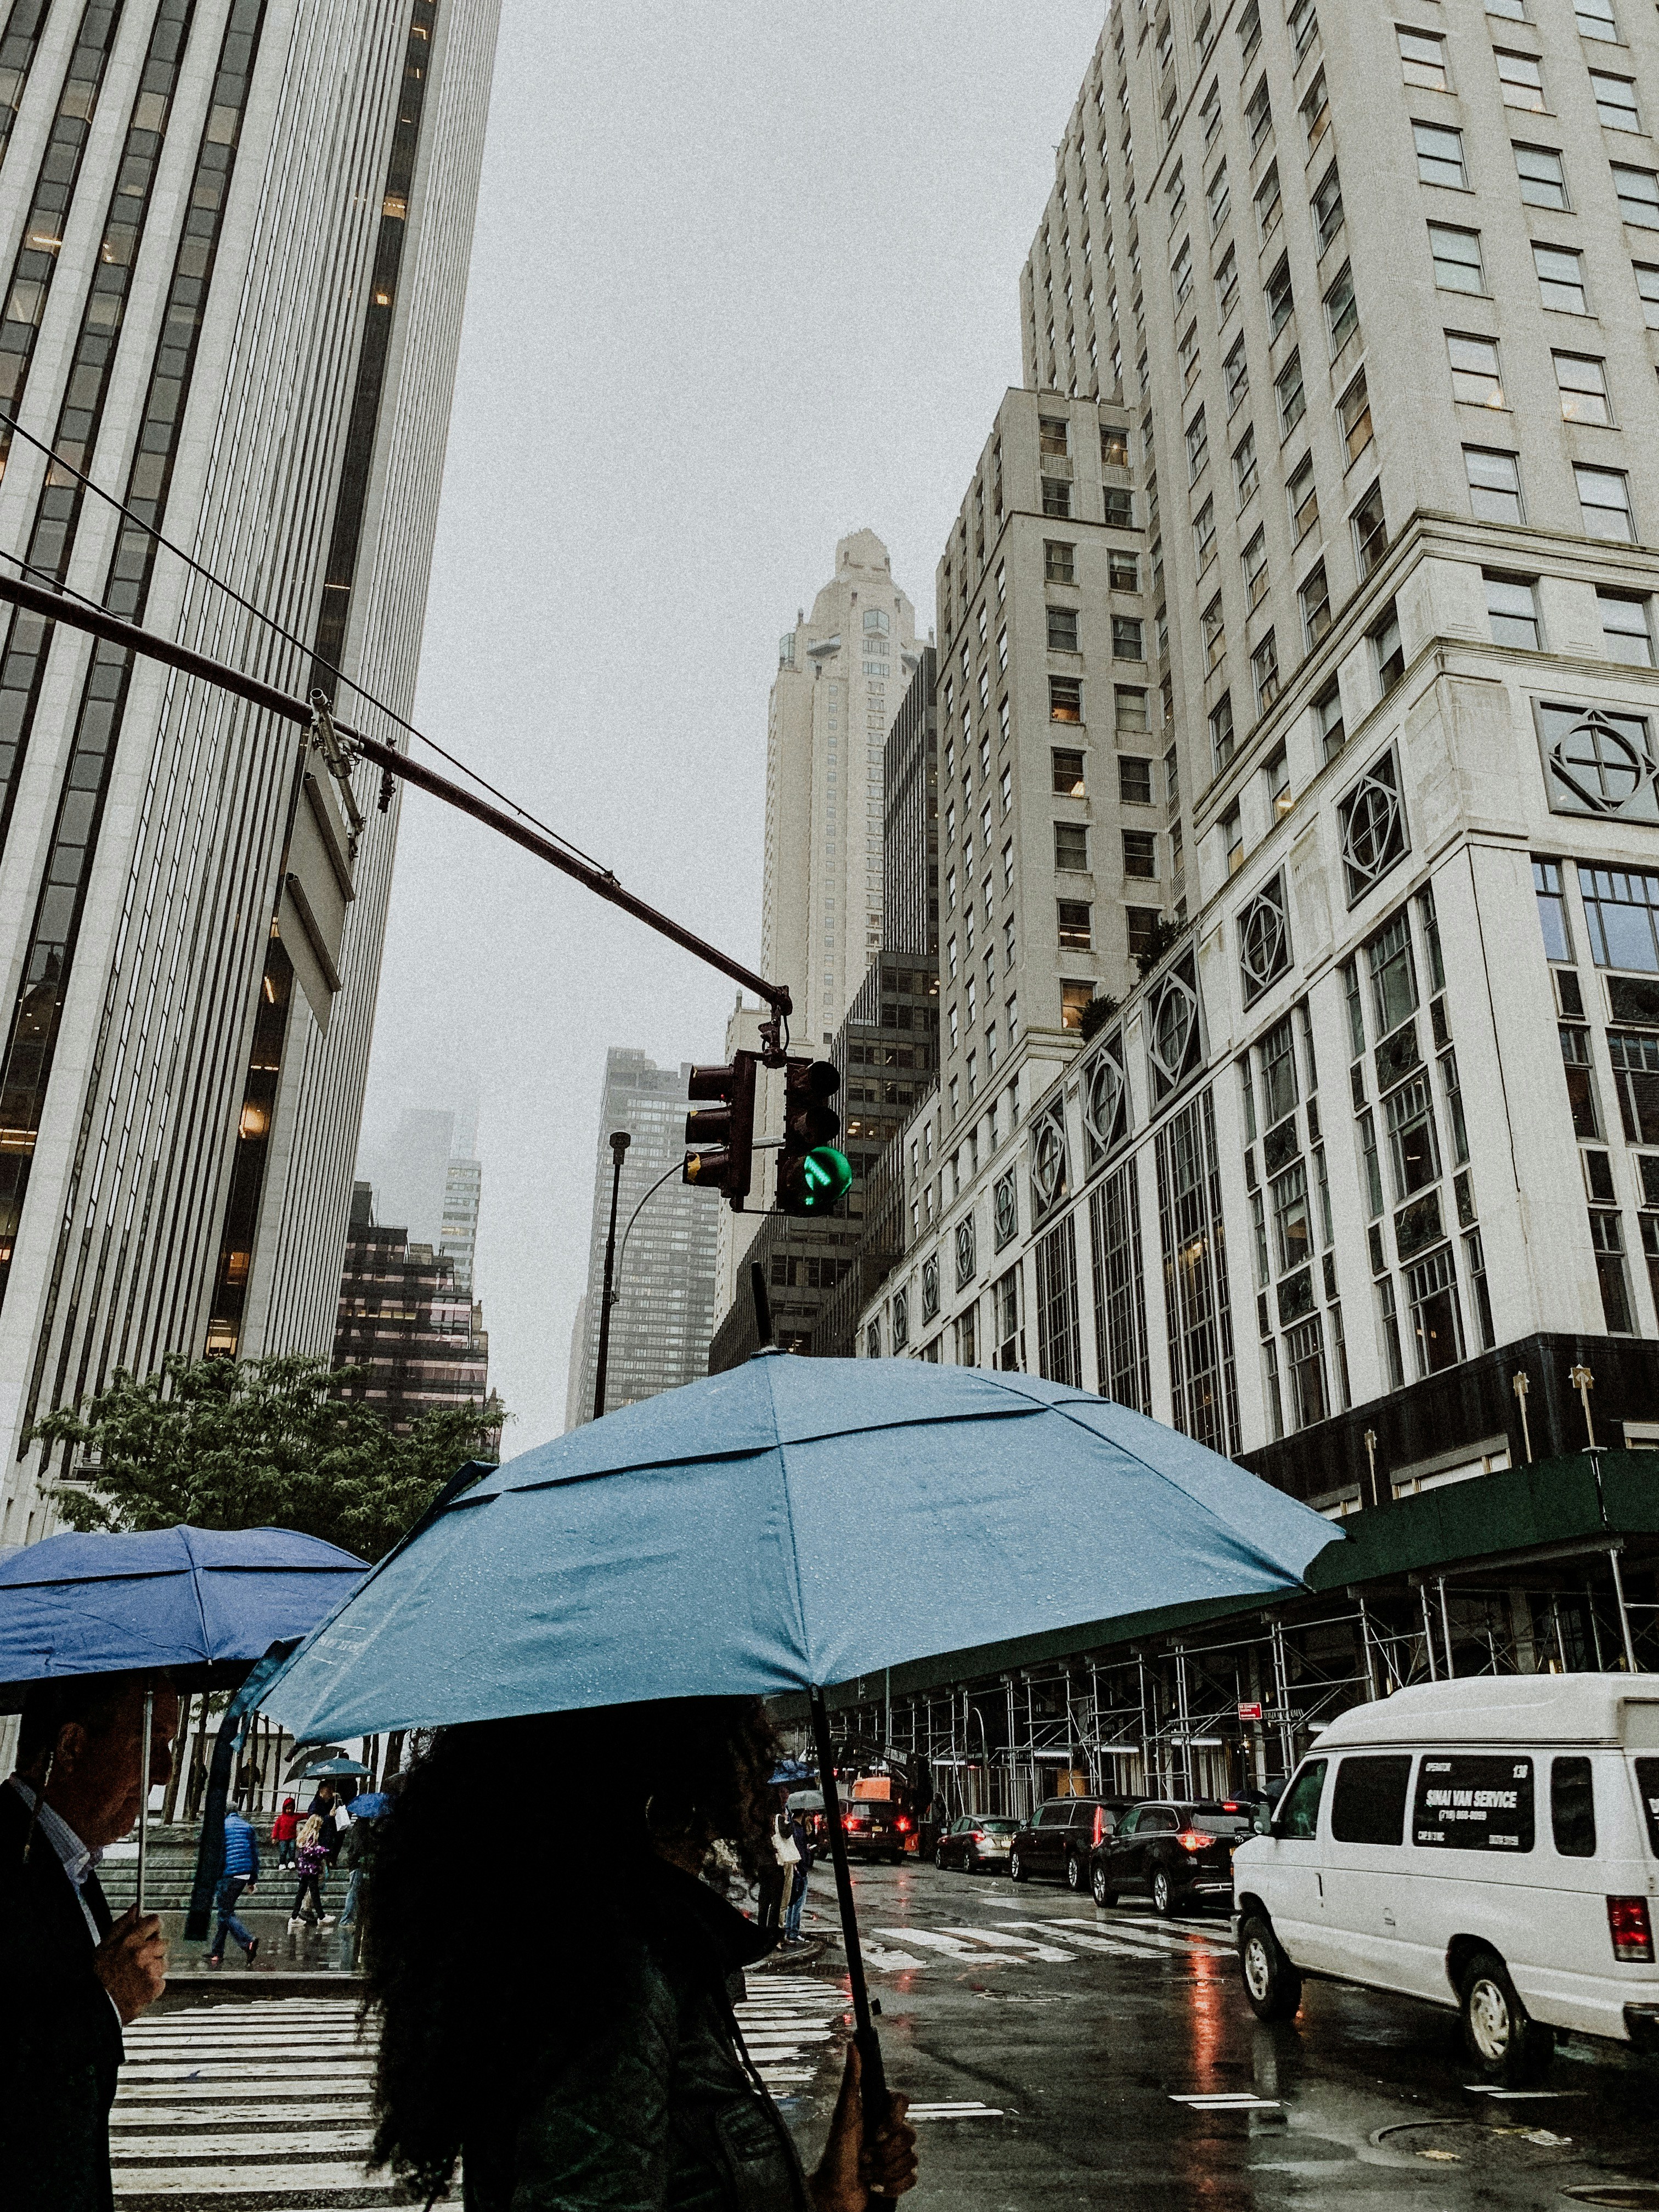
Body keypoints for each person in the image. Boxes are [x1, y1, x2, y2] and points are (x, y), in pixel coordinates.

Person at [362, 1698, 918, 2210]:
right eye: (739, 1729)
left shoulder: (609, 1949)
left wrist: (827, 2195)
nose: (753, 1773)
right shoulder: (612, 1980)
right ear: (670, 1795)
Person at [1, 1674, 177, 2211]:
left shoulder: (70, 1864)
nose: (166, 1773)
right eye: (150, 1741)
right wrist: (105, 2003)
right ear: (72, 1747)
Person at [207, 1803, 261, 1967]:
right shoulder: (247, 1827)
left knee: (226, 1913)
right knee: (225, 1911)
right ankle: (217, 1951)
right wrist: (252, 1880)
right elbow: (255, 1855)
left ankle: (248, 1942)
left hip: (228, 1875)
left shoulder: (221, 1828)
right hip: (244, 1874)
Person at [289, 1813, 330, 1928]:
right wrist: (322, 1850)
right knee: (314, 1893)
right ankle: (321, 1917)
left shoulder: (304, 1835)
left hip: (304, 1868)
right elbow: (309, 1851)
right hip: (310, 1868)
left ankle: (294, 1917)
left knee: (301, 1893)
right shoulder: (312, 1835)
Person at [782, 1807, 814, 1944]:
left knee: (792, 1902)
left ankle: (789, 1930)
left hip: (796, 1868)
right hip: (800, 1870)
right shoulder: (798, 1830)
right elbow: (798, 1851)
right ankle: (794, 1932)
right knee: (798, 1903)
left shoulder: (793, 1828)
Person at [271, 1794, 299, 1867]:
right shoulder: (281, 1818)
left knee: (292, 1850)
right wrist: (274, 1837)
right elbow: (276, 1828)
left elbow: (304, 1815)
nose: (290, 1810)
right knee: (283, 1851)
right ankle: (282, 1863)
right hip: (283, 1838)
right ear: (285, 1808)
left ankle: (291, 1862)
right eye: (288, 1809)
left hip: (292, 1837)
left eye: (291, 1809)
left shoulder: (295, 1816)